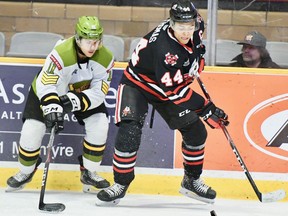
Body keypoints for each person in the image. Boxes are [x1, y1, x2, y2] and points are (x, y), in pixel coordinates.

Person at [96, 0, 229, 206]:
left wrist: (197, 59)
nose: (186, 32)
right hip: (138, 84)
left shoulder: (197, 24)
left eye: (189, 26)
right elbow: (175, 92)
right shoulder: (166, 51)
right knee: (129, 132)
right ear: (171, 23)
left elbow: (197, 47)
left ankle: (191, 181)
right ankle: (120, 184)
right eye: (180, 27)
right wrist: (205, 108)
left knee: (196, 131)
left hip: (166, 83)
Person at [6, 16, 114, 193]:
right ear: (78, 39)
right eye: (88, 42)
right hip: (49, 90)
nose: (93, 47)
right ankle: (26, 171)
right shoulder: (60, 53)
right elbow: (46, 83)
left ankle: (89, 171)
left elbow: (100, 91)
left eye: (97, 42)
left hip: (82, 92)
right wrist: (52, 107)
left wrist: (75, 100)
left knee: (100, 123)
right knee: (32, 130)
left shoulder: (106, 58)